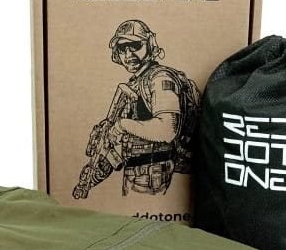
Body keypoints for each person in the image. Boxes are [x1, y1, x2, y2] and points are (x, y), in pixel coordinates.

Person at [73, 20, 195, 198]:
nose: (128, 54)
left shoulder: (160, 78)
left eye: (135, 45)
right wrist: (93, 175)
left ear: (150, 44)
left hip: (154, 178)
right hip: (137, 174)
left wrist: (121, 125)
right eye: (122, 48)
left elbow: (167, 130)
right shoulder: (136, 84)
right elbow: (125, 142)